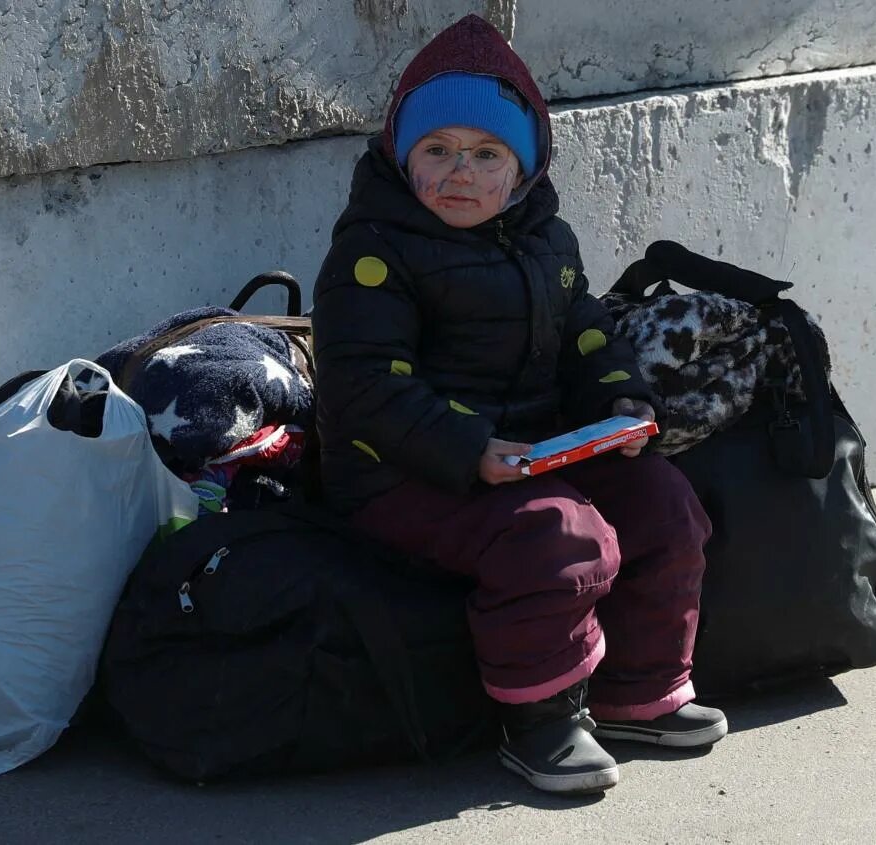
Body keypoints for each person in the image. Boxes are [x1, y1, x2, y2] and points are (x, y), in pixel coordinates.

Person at [310, 14, 726, 796]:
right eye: (436, 151)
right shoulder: (373, 251)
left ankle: (639, 689)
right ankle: (541, 719)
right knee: (556, 537)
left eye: (486, 154)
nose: (459, 173)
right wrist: (469, 450)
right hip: (402, 474)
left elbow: (585, 335)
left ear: (526, 166)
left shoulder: (546, 240)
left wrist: (622, 401)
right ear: (403, 158)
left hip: (529, 450)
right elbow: (363, 386)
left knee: (664, 503)